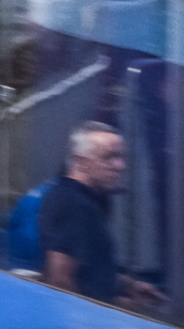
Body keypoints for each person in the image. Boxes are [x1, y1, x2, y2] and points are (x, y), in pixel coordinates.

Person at [39, 122, 163, 312]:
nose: (120, 166)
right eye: (108, 158)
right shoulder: (71, 204)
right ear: (80, 161)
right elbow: (59, 282)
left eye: (121, 157)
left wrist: (129, 285)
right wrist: (114, 309)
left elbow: (90, 268)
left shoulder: (91, 200)